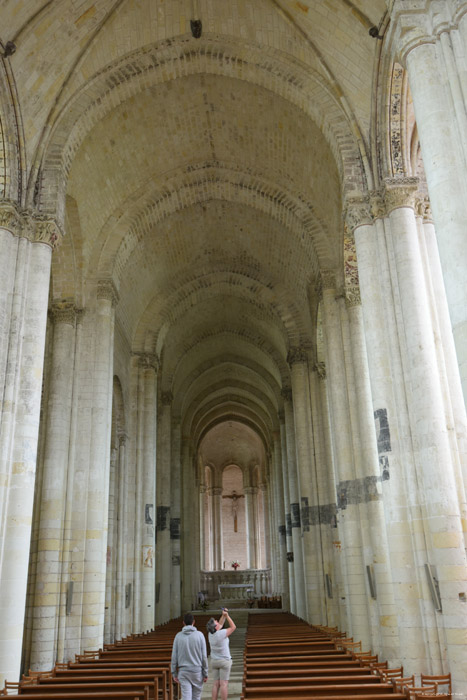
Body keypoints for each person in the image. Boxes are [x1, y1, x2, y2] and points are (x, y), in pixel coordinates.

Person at [171, 612, 208, 700]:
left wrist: (174, 673)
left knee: (186, 697)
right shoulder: (200, 635)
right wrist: (205, 672)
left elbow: (174, 656)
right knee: (196, 697)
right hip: (197, 671)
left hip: (183, 671)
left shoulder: (178, 636)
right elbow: (204, 656)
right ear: (193, 622)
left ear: (183, 623)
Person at [206, 608, 236, 700]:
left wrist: (223, 615)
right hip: (224, 661)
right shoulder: (222, 633)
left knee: (215, 684)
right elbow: (233, 627)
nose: (217, 621)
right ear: (215, 627)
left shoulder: (210, 634)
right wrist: (227, 616)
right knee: (224, 684)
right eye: (215, 621)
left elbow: (221, 624)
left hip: (214, 661)